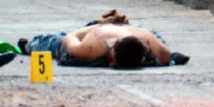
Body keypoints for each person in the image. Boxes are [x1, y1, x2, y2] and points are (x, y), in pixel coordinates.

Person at [18, 10, 190, 68]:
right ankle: (29, 46)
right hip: (99, 29)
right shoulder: (92, 46)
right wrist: (100, 25)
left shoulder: (158, 50)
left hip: (133, 31)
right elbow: (71, 37)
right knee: (53, 42)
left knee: (60, 47)